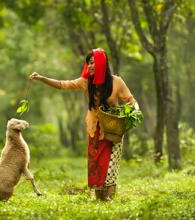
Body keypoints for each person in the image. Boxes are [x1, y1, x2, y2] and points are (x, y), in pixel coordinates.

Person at [29, 48, 138, 201]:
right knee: (97, 166)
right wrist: (41, 78)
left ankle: (109, 201)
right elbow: (62, 84)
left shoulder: (116, 82)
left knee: (110, 166)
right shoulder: (85, 82)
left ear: (102, 63)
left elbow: (131, 101)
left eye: (94, 62)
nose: (91, 66)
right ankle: (100, 200)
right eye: (89, 63)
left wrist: (133, 113)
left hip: (113, 130)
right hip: (95, 130)